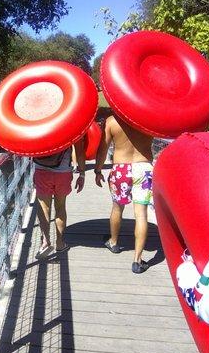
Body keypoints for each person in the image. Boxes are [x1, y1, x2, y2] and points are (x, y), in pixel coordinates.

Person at [94, 115, 154, 274]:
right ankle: (137, 260)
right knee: (141, 214)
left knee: (117, 208)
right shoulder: (148, 117)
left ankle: (113, 242)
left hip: (121, 168)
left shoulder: (111, 121)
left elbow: (103, 148)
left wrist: (98, 170)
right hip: (144, 167)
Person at [34, 139, 86, 259]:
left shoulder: (39, 122)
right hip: (63, 172)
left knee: (44, 207)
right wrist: (82, 174)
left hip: (42, 170)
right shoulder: (70, 125)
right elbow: (79, 151)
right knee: (60, 207)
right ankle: (60, 243)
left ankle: (45, 241)